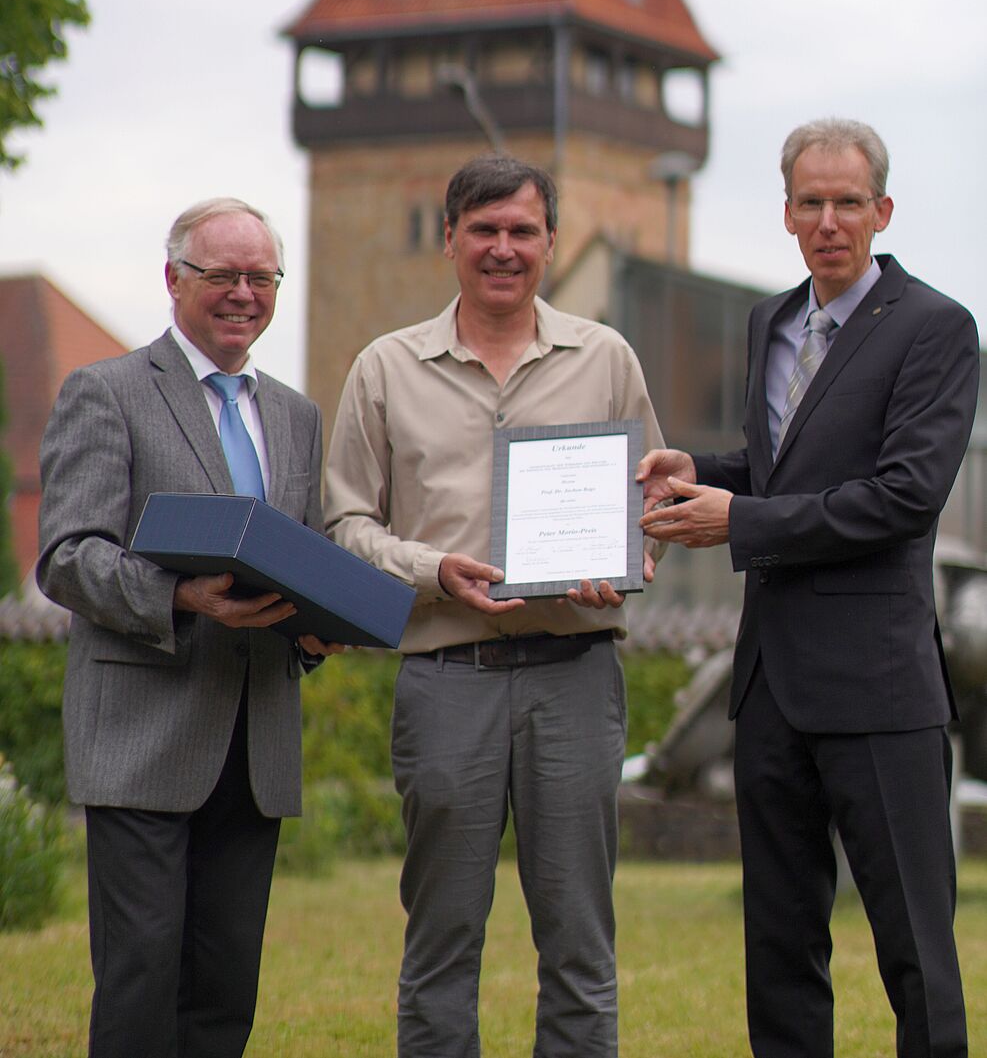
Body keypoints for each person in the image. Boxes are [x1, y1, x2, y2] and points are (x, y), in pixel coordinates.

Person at [638, 118, 979, 1058]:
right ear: (786, 212)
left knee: (914, 950)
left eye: (847, 201)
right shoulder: (773, 320)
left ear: (882, 209)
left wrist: (735, 521)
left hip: (878, 688)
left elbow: (902, 497)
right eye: (810, 202)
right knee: (779, 949)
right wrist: (699, 468)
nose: (828, 219)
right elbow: (793, 466)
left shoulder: (936, 327)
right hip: (772, 687)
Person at [325, 154, 663, 1058]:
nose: (502, 249)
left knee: (581, 950)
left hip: (575, 679)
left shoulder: (605, 359)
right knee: (440, 945)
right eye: (483, 230)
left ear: (550, 239)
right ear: (448, 239)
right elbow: (344, 522)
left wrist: (624, 559)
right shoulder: (385, 368)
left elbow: (650, 507)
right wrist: (434, 568)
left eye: (521, 230)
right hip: (446, 680)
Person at [37, 197, 339, 1058]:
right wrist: (178, 596)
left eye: (261, 276)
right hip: (141, 738)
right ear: (174, 279)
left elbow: (300, 555)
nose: (244, 292)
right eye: (222, 274)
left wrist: (317, 632)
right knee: (139, 983)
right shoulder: (107, 392)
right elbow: (66, 554)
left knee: (224, 990)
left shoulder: (295, 414)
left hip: (257, 745)